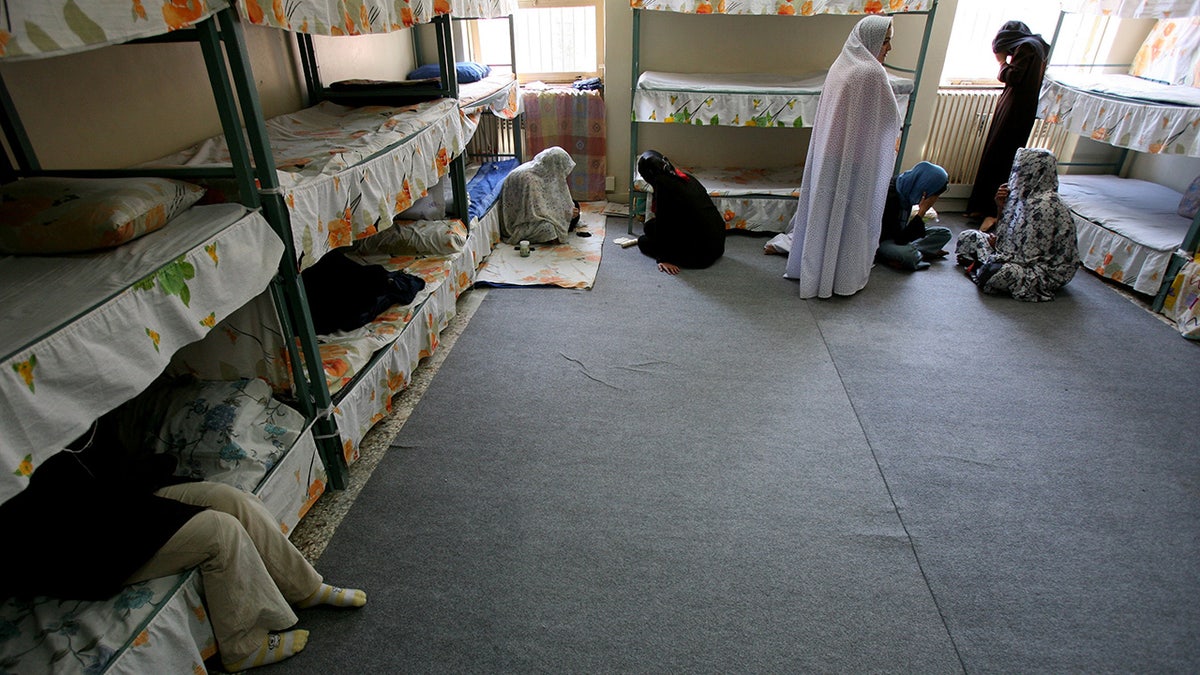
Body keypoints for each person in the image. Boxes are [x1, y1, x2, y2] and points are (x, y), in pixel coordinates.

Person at [0, 435, 366, 671]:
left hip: (122, 499)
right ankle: (243, 646)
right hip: (80, 541)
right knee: (219, 532)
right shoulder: (20, 445)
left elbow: (115, 472)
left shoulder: (76, 408)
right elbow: (63, 516)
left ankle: (305, 588)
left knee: (232, 500)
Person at [762, 15, 902, 298]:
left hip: (831, 155)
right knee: (851, 217)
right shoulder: (870, 72)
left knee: (826, 212)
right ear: (872, 40)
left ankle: (816, 269)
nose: (889, 48)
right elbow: (888, 118)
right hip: (856, 159)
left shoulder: (842, 64)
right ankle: (839, 276)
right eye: (885, 41)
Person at [955, 147, 1079, 301]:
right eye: (1017, 168)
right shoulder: (1020, 194)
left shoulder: (1046, 205)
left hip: (1041, 268)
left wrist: (998, 249)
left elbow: (1030, 256)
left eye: (1022, 170)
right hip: (1011, 253)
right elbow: (1004, 231)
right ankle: (980, 268)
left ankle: (981, 268)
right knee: (968, 237)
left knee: (997, 272)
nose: (1018, 174)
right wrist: (1000, 207)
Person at [964, 20, 1050, 226]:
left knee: (998, 157)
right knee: (1000, 156)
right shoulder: (1037, 46)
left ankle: (989, 210)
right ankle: (984, 207)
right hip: (1020, 109)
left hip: (1014, 110)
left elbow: (1013, 76)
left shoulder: (1026, 47)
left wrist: (1002, 62)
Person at [635, 149, 726, 275]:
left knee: (643, 241)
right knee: (649, 227)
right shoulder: (685, 177)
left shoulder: (665, 190)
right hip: (717, 246)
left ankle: (677, 254)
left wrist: (664, 259)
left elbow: (664, 226)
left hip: (702, 257)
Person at [876, 161, 953, 271]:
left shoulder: (907, 188)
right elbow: (900, 239)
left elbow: (904, 232)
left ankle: (914, 252)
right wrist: (922, 211)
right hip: (883, 240)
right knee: (908, 255)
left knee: (944, 233)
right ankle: (914, 254)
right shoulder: (891, 197)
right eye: (934, 194)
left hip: (900, 235)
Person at [499, 146, 578, 246]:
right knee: (550, 229)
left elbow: (548, 196)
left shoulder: (541, 169)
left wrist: (567, 209)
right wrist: (564, 213)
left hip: (536, 212)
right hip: (521, 221)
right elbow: (534, 213)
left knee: (574, 206)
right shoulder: (530, 180)